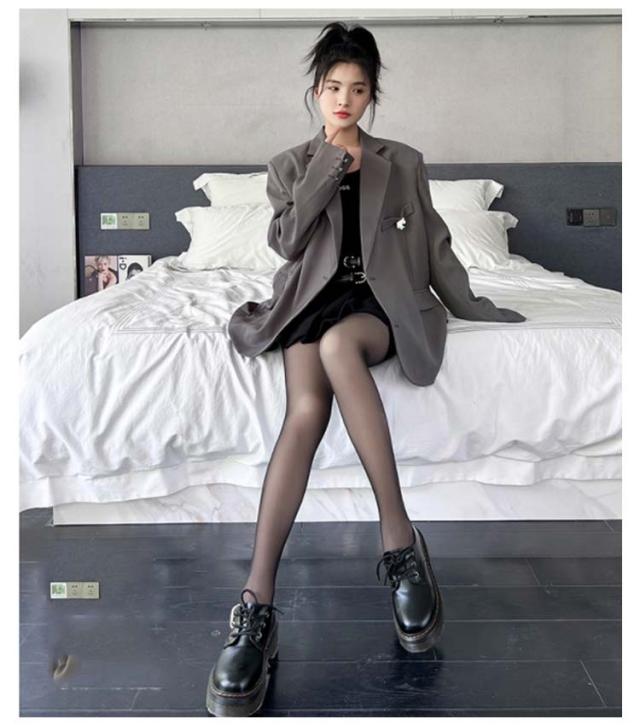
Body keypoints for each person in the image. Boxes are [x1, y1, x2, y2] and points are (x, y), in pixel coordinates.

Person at [207, 21, 524, 717]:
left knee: (336, 349)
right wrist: (330, 164)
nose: (344, 100)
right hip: (309, 299)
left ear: (372, 94)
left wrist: (476, 306)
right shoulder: (290, 164)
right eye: (332, 87)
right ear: (316, 92)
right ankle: (256, 606)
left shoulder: (402, 161)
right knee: (304, 411)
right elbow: (288, 242)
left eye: (357, 89)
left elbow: (436, 246)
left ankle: (397, 537)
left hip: (377, 303)